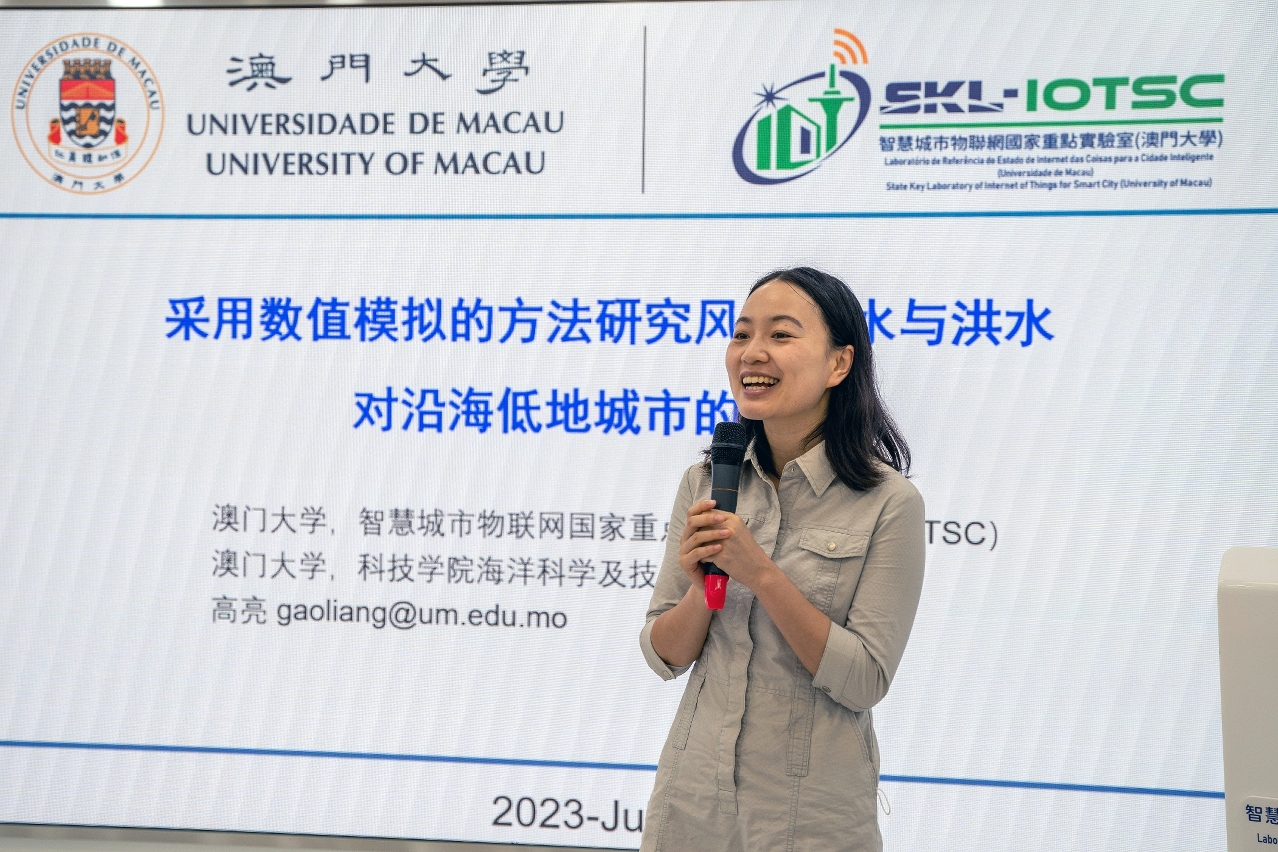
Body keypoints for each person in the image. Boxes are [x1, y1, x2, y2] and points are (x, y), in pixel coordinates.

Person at [638, 267, 925, 852]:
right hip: (692, 798)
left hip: (811, 812)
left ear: (839, 363)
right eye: (741, 334)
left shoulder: (889, 502)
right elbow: (664, 654)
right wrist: (702, 588)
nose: (752, 353)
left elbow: (864, 679)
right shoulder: (705, 481)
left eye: (781, 334)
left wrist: (762, 575)